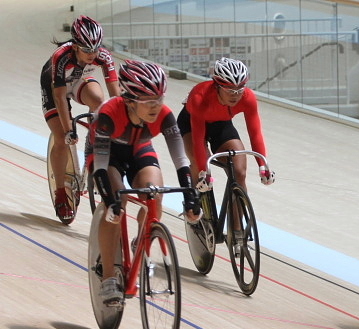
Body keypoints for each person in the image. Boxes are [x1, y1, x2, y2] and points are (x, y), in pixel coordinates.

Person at [91, 60, 200, 305]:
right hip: (107, 156)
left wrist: (191, 198)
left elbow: (181, 160)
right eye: (149, 101)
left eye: (159, 99)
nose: (156, 106)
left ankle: (140, 240)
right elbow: (99, 166)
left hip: (139, 150)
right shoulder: (108, 114)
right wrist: (110, 202)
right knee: (116, 202)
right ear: (129, 100)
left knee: (155, 195)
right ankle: (109, 278)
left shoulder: (165, 115)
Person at [41, 15, 121, 222]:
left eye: (95, 49)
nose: (92, 54)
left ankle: (91, 138)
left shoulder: (103, 55)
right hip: (55, 88)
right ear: (75, 46)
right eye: (86, 49)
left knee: (99, 99)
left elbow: (116, 94)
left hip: (78, 79)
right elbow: (59, 97)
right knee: (60, 138)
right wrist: (69, 130)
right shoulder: (61, 56)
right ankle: (60, 191)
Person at [177, 57, 274, 196]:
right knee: (200, 164)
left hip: (221, 124)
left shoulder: (248, 97)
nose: (235, 95)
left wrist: (263, 165)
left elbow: (255, 133)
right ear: (217, 86)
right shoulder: (200, 97)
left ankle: (237, 217)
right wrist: (204, 171)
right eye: (229, 90)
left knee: (239, 172)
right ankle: (194, 203)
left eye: (239, 89)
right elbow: (198, 140)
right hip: (192, 123)